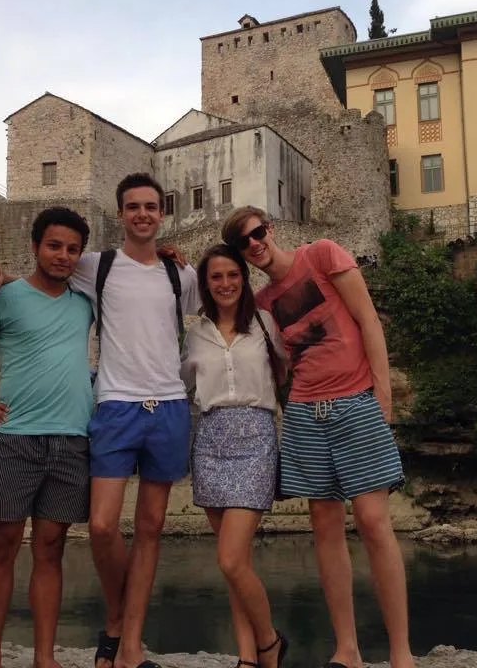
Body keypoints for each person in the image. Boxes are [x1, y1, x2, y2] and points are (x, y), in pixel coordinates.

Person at [0, 173, 200, 668]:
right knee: (100, 527)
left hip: (169, 406)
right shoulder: (94, 266)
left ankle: (129, 643)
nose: (143, 214)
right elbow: (43, 276)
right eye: (133, 207)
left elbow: (221, 307)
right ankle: (117, 617)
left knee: (151, 528)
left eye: (152, 207)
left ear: (162, 213)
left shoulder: (178, 275)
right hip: (115, 405)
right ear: (119, 215)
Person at [221, 207, 414, 668]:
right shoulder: (264, 303)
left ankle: (401, 653)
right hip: (306, 413)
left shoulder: (324, 255)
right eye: (244, 241)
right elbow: (278, 363)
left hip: (355, 401)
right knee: (325, 530)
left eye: (258, 232)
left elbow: (369, 321)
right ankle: (347, 650)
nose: (255, 243)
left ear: (271, 227)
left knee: (372, 522)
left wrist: (382, 398)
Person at [0, 206, 95, 668]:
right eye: (54, 245)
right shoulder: (2, 297)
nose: (63, 256)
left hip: (71, 441)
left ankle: (44, 658)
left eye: (72, 249)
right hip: (14, 441)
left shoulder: (86, 300)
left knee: (51, 551)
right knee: (3, 548)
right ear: (35, 247)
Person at [180, 244, 289, 668]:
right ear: (206, 285)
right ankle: (246, 657)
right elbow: (185, 389)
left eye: (232, 275)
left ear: (243, 280)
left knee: (229, 557)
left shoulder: (264, 324)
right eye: (216, 277)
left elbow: (287, 368)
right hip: (209, 441)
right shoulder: (195, 334)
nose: (225, 283)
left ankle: (268, 642)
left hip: (256, 438)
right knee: (235, 563)